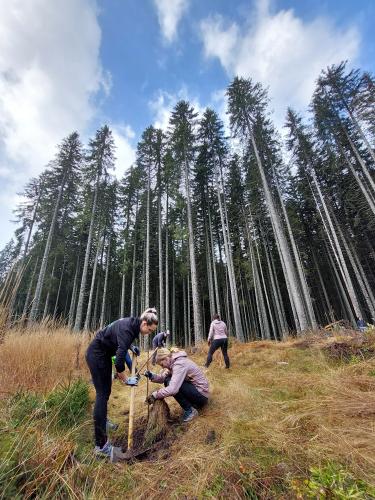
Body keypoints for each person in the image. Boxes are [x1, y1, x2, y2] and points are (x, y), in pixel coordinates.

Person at [85, 308, 158, 457]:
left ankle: (103, 419)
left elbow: (119, 338)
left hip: (103, 354)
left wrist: (131, 346)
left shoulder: (131, 323)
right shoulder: (128, 329)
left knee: (106, 393)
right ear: (144, 323)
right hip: (97, 354)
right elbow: (119, 361)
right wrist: (126, 380)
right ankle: (101, 445)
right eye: (149, 330)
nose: (148, 333)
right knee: (102, 394)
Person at [145, 348, 209, 423]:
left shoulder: (179, 364)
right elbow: (163, 378)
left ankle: (190, 411)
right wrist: (151, 376)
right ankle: (192, 406)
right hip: (197, 392)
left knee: (170, 383)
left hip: (201, 395)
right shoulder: (173, 363)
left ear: (166, 358)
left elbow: (173, 389)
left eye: (162, 364)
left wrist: (155, 395)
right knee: (167, 380)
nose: (162, 367)